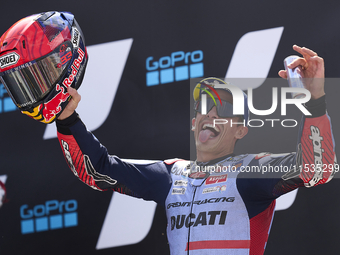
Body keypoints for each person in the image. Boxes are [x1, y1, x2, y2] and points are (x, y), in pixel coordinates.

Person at [55, 46, 335, 255]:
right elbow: (99, 170)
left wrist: (315, 101)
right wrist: (68, 120)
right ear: (193, 123)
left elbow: (317, 170)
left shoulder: (251, 172)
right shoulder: (170, 175)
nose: (210, 115)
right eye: (204, 107)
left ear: (241, 130)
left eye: (223, 109)